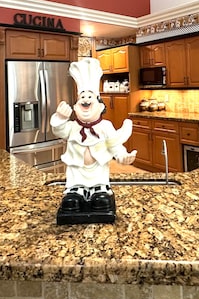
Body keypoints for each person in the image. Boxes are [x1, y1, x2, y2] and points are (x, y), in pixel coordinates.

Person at [50, 58, 137, 215]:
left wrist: (123, 156)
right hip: (76, 172)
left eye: (90, 97)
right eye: (82, 97)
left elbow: (114, 144)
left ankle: (99, 192)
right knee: (72, 201)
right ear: (75, 107)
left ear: (101, 107)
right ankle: (76, 193)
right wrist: (60, 118)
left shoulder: (105, 126)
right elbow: (59, 130)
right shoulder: (72, 127)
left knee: (101, 199)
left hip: (98, 173)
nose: (85, 100)